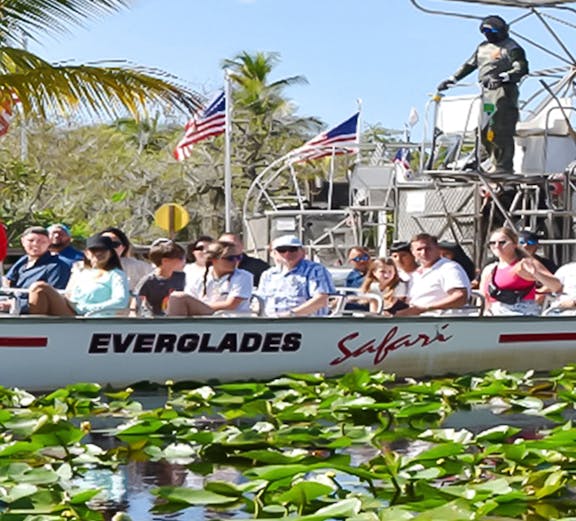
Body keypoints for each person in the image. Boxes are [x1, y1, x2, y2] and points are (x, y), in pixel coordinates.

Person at [437, 15, 529, 175]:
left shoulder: (512, 48)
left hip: (503, 93)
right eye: (485, 32)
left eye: (492, 31)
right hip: (487, 93)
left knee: (500, 127)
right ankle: (488, 161)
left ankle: (503, 165)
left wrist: (502, 77)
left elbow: (521, 69)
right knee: (485, 127)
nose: (489, 35)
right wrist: (452, 79)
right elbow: (469, 64)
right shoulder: (483, 48)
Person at [28, 234, 130, 316]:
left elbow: (121, 301)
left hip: (94, 318)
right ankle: (37, 329)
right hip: (72, 310)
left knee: (40, 287)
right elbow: (69, 294)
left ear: (111, 253)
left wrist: (89, 308)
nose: (98, 253)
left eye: (103, 250)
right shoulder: (82, 272)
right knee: (38, 288)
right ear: (87, 253)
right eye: (94, 250)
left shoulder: (116, 275)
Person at [479, 227, 561, 316]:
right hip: (494, 314)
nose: (497, 246)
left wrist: (536, 273)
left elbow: (556, 286)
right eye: (492, 243)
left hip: (521, 314)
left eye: (502, 242)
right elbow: (483, 298)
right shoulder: (489, 269)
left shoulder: (525, 263)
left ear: (515, 243)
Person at [167, 240, 253, 316]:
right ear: (214, 259)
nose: (236, 261)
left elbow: (230, 305)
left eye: (238, 257)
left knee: (179, 297)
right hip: (205, 319)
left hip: (230, 319)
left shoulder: (244, 276)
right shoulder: (199, 276)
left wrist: (197, 306)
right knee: (176, 297)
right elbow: (192, 297)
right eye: (230, 258)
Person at [257, 235, 335, 317]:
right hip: (268, 322)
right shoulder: (268, 274)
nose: (287, 253)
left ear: (303, 252)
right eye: (282, 250)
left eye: (293, 249)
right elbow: (259, 301)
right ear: (273, 253)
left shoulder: (315, 270)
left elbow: (321, 300)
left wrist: (291, 314)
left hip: (305, 323)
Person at [397, 233, 471, 316]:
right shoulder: (414, 274)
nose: (424, 252)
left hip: (444, 321)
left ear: (437, 248)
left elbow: (460, 297)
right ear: (413, 252)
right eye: (419, 249)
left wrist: (424, 308)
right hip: (416, 322)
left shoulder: (449, 268)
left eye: (428, 249)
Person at [1, 226, 71, 313]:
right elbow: (8, 282)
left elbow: (54, 298)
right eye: (31, 241)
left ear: (49, 243)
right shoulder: (23, 261)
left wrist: (13, 305)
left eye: (42, 242)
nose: (36, 244)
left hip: (35, 313)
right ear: (23, 241)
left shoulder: (57, 266)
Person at [135, 238, 186, 316]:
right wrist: (133, 313)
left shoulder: (182, 277)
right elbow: (136, 298)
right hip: (155, 321)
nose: (184, 261)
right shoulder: (149, 280)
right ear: (165, 261)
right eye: (180, 258)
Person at [100, 226, 153, 292]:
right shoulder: (86, 270)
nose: (110, 248)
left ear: (123, 248)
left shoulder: (141, 268)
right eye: (103, 243)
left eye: (114, 244)